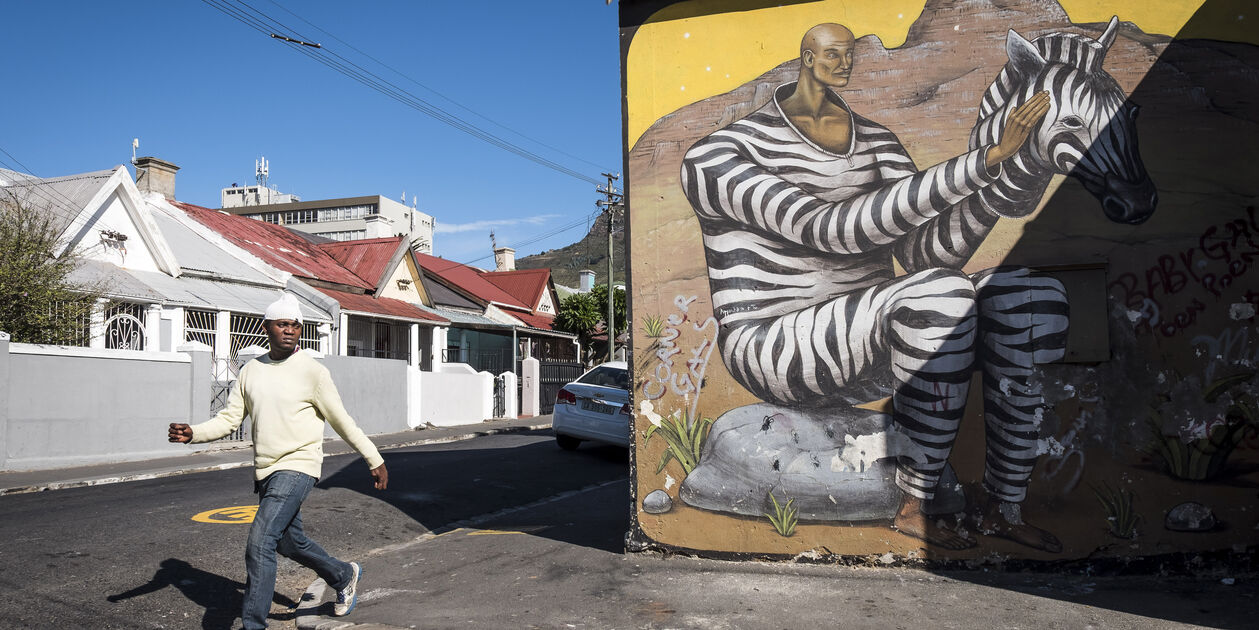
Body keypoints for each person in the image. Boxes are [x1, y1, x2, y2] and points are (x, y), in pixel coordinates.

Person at [680, 23, 1066, 551]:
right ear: (805, 56)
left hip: (866, 336)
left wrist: (1004, 184)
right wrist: (983, 163)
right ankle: (913, 505)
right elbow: (829, 228)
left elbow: (924, 253)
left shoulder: (879, 140)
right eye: (834, 54)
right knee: (941, 294)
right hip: (771, 342)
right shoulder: (718, 155)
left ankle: (1005, 504)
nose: (846, 64)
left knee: (1026, 294)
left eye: (850, 55)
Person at [168, 293, 388, 628]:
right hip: (266, 471)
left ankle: (253, 625)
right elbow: (229, 419)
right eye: (282, 324)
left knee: (260, 542)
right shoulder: (251, 371)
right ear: (266, 327)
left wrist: (373, 458)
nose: (289, 331)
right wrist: (193, 433)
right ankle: (343, 575)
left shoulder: (313, 372)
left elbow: (341, 419)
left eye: (294, 325)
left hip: (299, 465)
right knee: (289, 542)